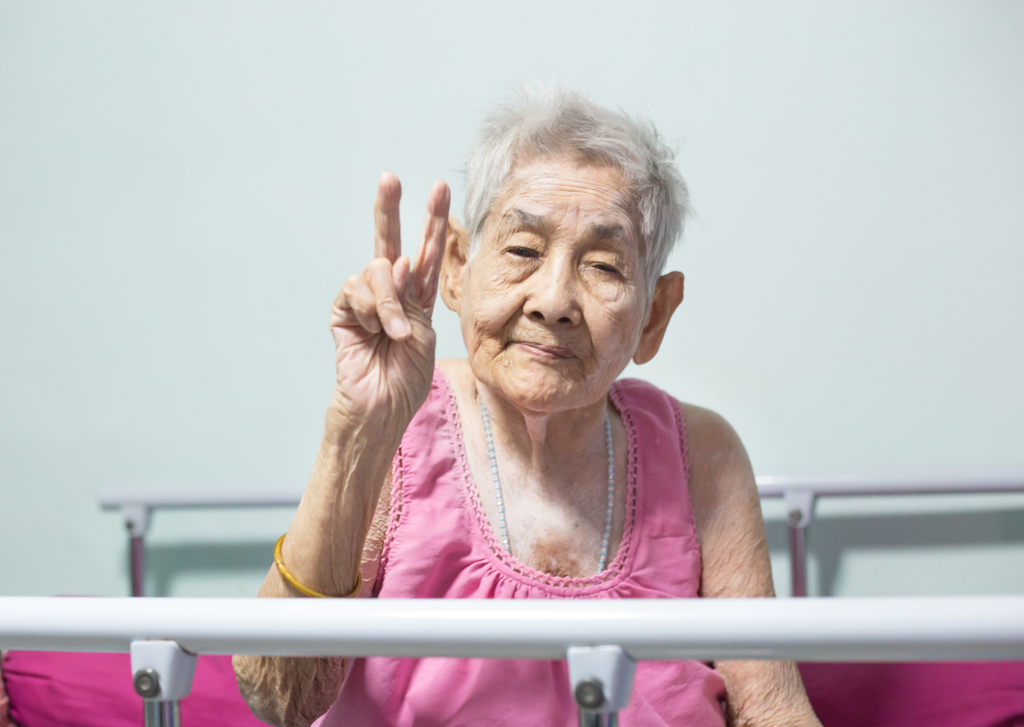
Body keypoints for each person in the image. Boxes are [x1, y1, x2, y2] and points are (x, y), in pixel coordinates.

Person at [233, 86, 822, 727]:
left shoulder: (704, 456)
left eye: (603, 266)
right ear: (457, 267)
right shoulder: (396, 431)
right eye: (522, 251)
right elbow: (282, 697)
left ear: (654, 315)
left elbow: (773, 710)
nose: (554, 301)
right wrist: (358, 432)